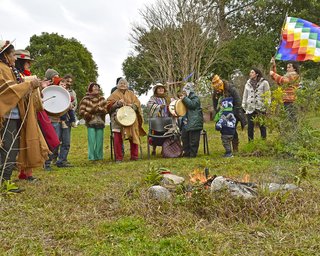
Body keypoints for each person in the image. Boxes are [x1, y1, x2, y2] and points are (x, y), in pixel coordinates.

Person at [0, 40, 49, 192]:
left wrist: (32, 85)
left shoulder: (8, 68)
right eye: (13, 55)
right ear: (5, 55)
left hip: (14, 115)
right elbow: (8, 90)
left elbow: (17, 87)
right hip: (6, 117)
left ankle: (5, 182)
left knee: (11, 150)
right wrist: (29, 84)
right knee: (7, 150)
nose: (15, 59)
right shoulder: (1, 69)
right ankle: (4, 184)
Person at [106, 78, 146, 162]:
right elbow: (108, 106)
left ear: (127, 85)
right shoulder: (113, 94)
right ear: (117, 85)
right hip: (118, 119)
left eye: (124, 83)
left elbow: (137, 103)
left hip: (131, 118)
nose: (122, 84)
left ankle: (134, 156)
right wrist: (117, 103)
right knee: (117, 138)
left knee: (134, 135)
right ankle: (119, 158)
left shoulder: (131, 94)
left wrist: (132, 106)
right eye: (121, 83)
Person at [211, 74, 246, 152]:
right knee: (223, 129)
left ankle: (235, 146)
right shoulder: (216, 93)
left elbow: (238, 101)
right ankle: (228, 148)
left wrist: (232, 113)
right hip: (222, 113)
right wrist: (218, 113)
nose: (218, 91)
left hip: (234, 112)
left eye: (219, 89)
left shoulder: (231, 89)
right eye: (216, 90)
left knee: (232, 129)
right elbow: (215, 104)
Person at [79, 82, 107, 160]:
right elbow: (81, 111)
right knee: (91, 141)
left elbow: (106, 109)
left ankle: (99, 156)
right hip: (90, 122)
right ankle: (91, 157)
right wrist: (90, 114)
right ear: (90, 89)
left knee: (99, 141)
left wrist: (101, 110)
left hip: (100, 121)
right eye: (94, 87)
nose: (96, 88)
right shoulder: (86, 99)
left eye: (98, 87)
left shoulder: (102, 99)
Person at [242, 68, 271, 141]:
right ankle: (250, 143)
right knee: (250, 126)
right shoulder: (247, 84)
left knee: (262, 125)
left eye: (252, 72)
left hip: (260, 107)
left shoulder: (264, 83)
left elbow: (267, 94)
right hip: (250, 108)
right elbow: (245, 95)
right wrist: (243, 105)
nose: (250, 74)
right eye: (250, 72)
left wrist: (267, 105)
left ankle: (263, 142)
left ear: (256, 74)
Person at [180, 82, 203, 158]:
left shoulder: (195, 98)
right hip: (186, 122)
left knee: (193, 140)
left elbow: (192, 105)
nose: (183, 94)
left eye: (185, 92)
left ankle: (192, 154)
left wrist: (184, 99)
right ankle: (186, 153)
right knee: (185, 138)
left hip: (194, 122)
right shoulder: (185, 99)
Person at [147, 82, 171, 155]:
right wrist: (159, 107)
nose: (161, 90)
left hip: (167, 120)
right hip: (156, 121)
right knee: (156, 135)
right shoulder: (153, 98)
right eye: (159, 88)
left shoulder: (167, 98)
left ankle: (164, 149)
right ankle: (154, 149)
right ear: (156, 90)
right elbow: (149, 106)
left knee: (167, 134)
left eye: (162, 88)